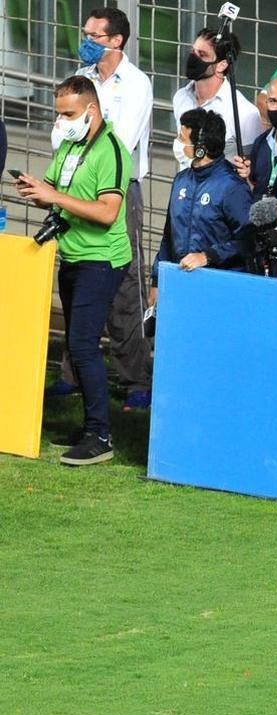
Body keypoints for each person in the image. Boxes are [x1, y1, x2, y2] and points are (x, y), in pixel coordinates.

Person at [14, 76, 131, 465]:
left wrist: (53, 196)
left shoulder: (111, 150)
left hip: (102, 258)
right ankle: (89, 427)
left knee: (82, 344)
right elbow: (55, 192)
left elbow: (108, 211)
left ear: (91, 110)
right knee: (76, 345)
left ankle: (101, 435)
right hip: (73, 255)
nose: (61, 120)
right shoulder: (68, 145)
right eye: (58, 113)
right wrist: (35, 191)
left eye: (68, 113)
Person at [47, 7, 154, 411]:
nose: (85, 39)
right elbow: (60, 135)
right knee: (75, 278)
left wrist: (79, 139)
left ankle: (135, 378)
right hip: (74, 187)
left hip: (119, 191)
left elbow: (117, 144)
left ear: (116, 40)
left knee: (125, 284)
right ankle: (71, 374)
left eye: (94, 34)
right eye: (85, 32)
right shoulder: (82, 79)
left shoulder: (137, 84)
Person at [150, 110, 253, 302]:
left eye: (182, 138)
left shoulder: (232, 187)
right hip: (180, 283)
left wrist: (207, 256)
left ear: (201, 148)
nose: (178, 142)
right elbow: (168, 237)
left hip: (219, 289)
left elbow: (247, 241)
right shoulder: (181, 180)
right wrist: (156, 280)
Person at [171, 27, 263, 166]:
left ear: (222, 65)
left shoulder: (244, 112)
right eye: (193, 51)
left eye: (202, 55)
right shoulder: (181, 97)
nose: (193, 58)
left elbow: (250, 167)